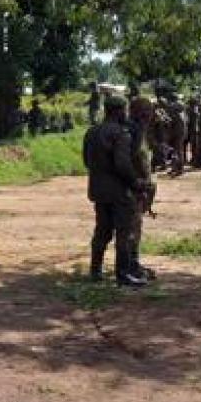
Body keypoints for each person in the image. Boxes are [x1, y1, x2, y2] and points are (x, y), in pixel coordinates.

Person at [82, 96, 147, 287]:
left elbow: (87, 161)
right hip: (119, 191)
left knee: (102, 230)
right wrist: (135, 183)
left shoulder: (91, 132)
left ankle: (95, 270)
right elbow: (123, 164)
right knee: (124, 232)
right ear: (119, 111)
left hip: (97, 189)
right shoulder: (121, 134)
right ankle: (123, 274)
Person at [127, 97, 157, 280]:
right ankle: (130, 266)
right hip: (131, 188)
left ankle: (132, 264)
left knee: (135, 228)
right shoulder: (132, 132)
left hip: (139, 188)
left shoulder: (140, 131)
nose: (149, 115)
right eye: (145, 111)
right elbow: (127, 162)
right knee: (131, 229)